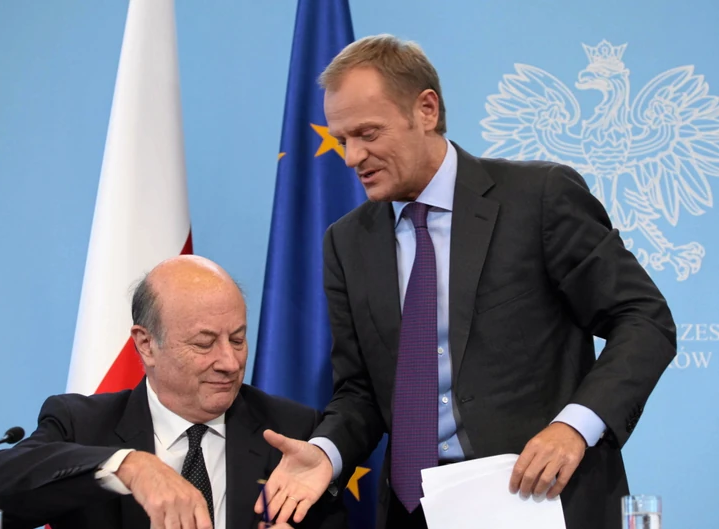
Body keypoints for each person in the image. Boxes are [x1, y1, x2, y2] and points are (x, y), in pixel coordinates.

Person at [254, 34, 676, 529]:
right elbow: (362, 392)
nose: (351, 156)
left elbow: (644, 319)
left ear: (426, 110)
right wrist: (327, 452)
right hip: (414, 512)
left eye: (367, 133)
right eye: (343, 139)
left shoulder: (538, 198)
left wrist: (575, 426)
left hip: (539, 502)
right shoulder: (346, 242)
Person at [0, 255, 346, 529]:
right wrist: (127, 466)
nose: (230, 362)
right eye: (204, 343)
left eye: (237, 339)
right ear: (146, 344)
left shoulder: (292, 431)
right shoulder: (82, 425)